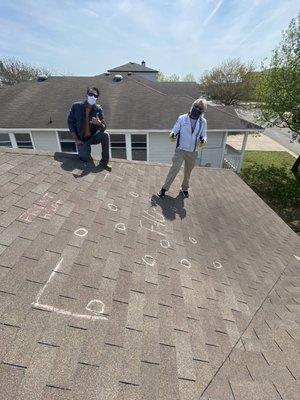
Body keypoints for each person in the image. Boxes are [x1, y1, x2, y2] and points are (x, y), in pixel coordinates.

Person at [157, 98, 207, 198]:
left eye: (200, 108)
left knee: (188, 172)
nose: (197, 109)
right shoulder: (182, 118)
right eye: (196, 106)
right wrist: (172, 135)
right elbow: (174, 130)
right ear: (193, 105)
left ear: (203, 110)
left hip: (193, 152)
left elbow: (204, 134)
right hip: (180, 149)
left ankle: (184, 188)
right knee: (174, 169)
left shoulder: (203, 122)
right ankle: (164, 189)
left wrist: (203, 140)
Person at [67, 87, 112, 171]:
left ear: (97, 98)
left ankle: (104, 162)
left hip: (93, 137)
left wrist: (99, 123)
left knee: (105, 135)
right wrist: (76, 140)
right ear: (87, 95)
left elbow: (104, 127)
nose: (93, 97)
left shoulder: (98, 109)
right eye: (91, 94)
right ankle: (85, 151)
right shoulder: (76, 106)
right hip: (82, 139)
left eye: (95, 95)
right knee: (85, 159)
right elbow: (70, 122)